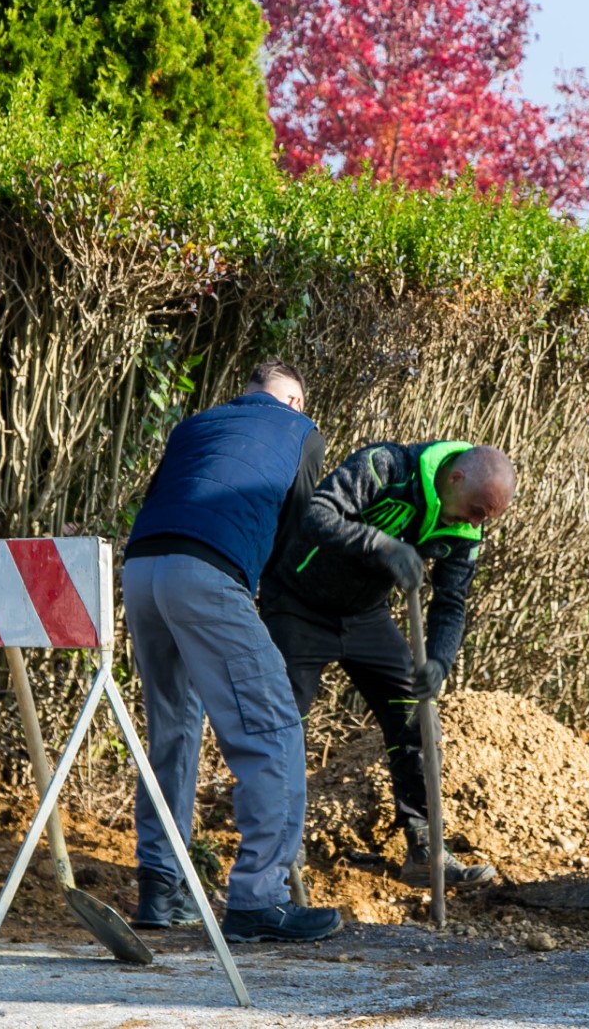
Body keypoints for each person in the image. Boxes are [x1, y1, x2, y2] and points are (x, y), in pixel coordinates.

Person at [121, 358, 341, 943]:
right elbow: (296, 529)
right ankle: (258, 900)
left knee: (172, 727)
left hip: (141, 569)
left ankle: (159, 887)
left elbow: (165, 495)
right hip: (208, 575)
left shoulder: (195, 425)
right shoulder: (301, 431)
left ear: (248, 392)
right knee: (272, 726)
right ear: (293, 400)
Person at [261, 441, 515, 889]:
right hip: (298, 603)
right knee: (286, 720)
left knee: (417, 715)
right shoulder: (387, 468)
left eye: (485, 519)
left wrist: (439, 660)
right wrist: (380, 544)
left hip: (364, 617)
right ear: (455, 479)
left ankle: (424, 850)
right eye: (475, 510)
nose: (476, 523)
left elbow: (451, 603)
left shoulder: (465, 528)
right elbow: (318, 514)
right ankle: (281, 851)